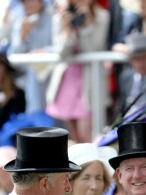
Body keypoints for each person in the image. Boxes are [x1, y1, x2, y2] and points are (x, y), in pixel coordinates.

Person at [46, 0, 110, 143]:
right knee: (72, 139)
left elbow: (92, 48)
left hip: (90, 81)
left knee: (87, 136)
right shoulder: (60, 15)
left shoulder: (102, 16)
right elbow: (62, 53)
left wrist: (86, 23)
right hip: (67, 80)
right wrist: (67, 28)